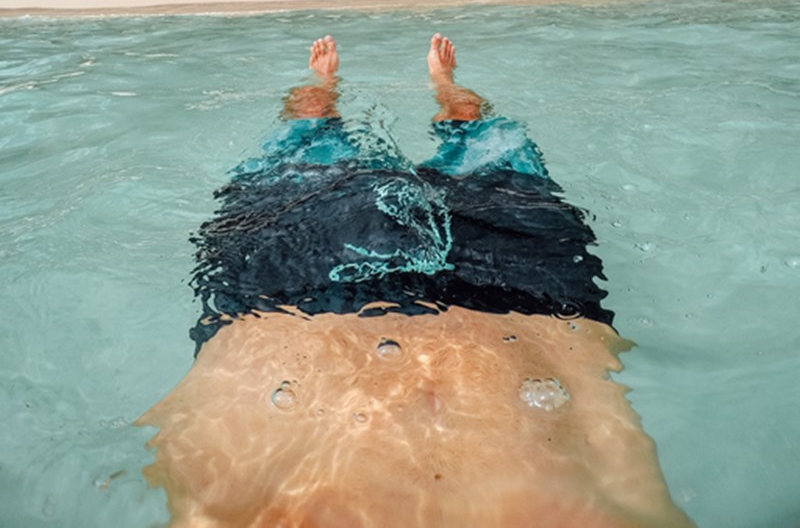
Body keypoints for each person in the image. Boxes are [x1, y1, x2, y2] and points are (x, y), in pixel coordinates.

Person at [139, 35, 694, 528]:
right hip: (535, 309)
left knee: (302, 143)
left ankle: (324, 89)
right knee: (492, 146)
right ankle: (445, 90)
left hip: (286, 301)